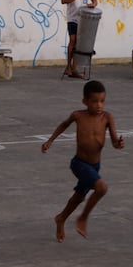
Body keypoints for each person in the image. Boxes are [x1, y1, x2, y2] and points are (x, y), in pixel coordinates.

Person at [41, 79, 125, 241]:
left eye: (102, 101)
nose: (99, 105)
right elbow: (63, 125)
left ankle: (61, 218)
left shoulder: (107, 118)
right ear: (85, 101)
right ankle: (83, 218)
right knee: (101, 188)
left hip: (95, 166)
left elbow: (114, 142)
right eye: (94, 102)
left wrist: (118, 144)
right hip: (79, 163)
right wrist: (50, 140)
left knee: (79, 197)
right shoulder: (78, 116)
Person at [61, 0, 98, 78]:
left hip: (84, 19)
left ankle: (75, 68)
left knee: (80, 43)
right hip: (73, 18)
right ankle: (68, 66)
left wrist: (93, 4)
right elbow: (63, 0)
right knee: (73, 40)